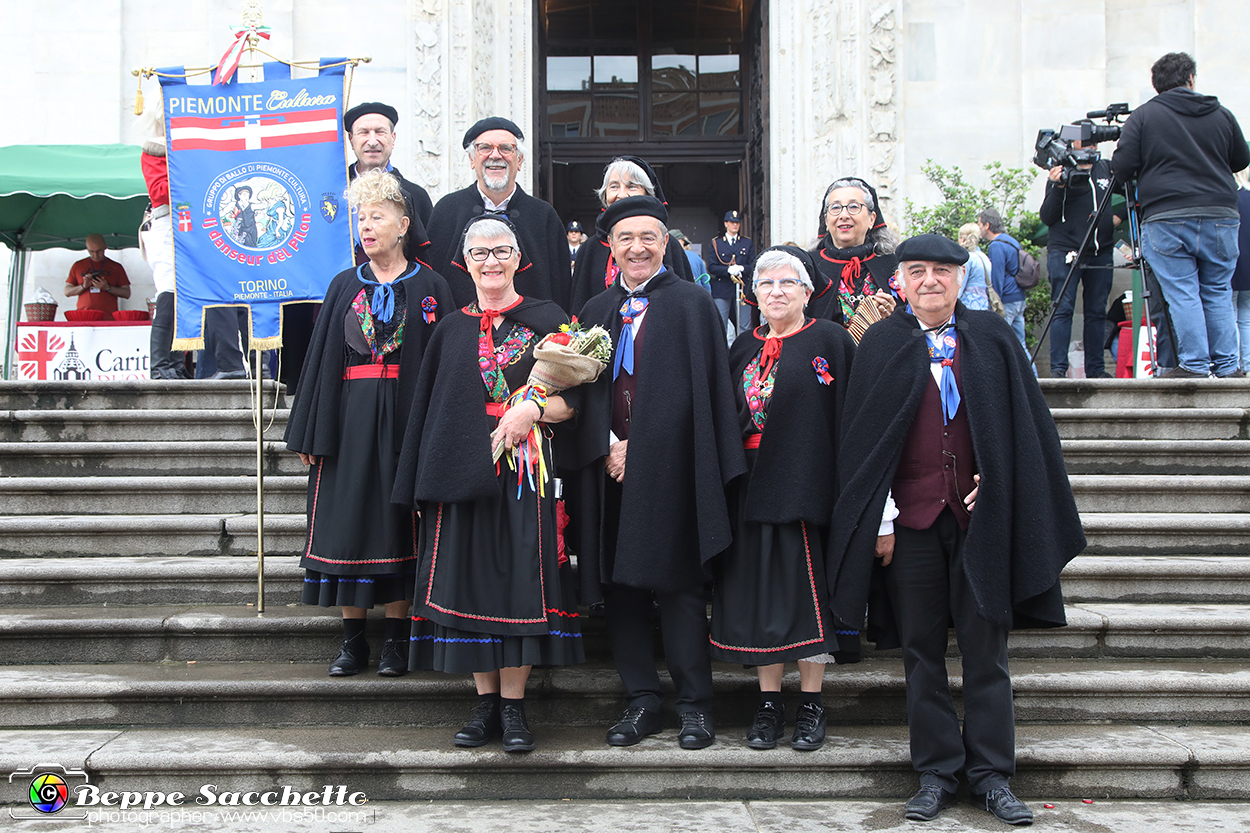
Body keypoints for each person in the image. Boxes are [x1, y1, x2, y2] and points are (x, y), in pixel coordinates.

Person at [827, 234, 1084, 825]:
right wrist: (881, 520)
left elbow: (1024, 434)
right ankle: (937, 771)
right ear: (902, 280)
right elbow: (862, 446)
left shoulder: (993, 339)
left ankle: (992, 775)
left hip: (979, 523)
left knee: (986, 652)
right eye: (917, 271)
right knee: (919, 651)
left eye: (942, 271)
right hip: (911, 523)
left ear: (960, 278)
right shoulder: (882, 343)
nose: (930, 281)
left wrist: (999, 482)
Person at [392, 215, 583, 753]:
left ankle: (516, 708)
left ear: (519, 258)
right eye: (480, 253)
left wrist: (534, 406)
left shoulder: (549, 321)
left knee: (519, 579)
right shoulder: (451, 329)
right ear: (464, 262)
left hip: (526, 471)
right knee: (467, 580)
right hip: (462, 469)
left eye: (501, 251)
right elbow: (429, 411)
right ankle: (485, 704)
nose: (491, 261)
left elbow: (576, 405)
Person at [570, 195, 746, 750]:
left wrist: (640, 448)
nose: (637, 247)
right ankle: (641, 699)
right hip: (608, 473)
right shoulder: (595, 310)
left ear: (666, 243)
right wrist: (607, 443)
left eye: (649, 237)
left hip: (674, 472)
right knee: (622, 588)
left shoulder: (693, 304)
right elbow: (574, 393)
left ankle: (695, 704)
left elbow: (699, 399)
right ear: (611, 247)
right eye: (626, 238)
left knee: (679, 588)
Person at [283, 169, 453, 679]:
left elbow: (445, 363)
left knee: (397, 523)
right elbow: (319, 363)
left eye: (377, 216)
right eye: (361, 218)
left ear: (403, 223)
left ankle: (397, 644)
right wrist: (311, 430)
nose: (367, 226)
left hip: (406, 418)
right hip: (351, 417)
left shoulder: (431, 284)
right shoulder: (343, 284)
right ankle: (352, 642)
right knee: (349, 522)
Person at [709, 246, 858, 752]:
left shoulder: (830, 340)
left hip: (804, 484)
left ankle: (812, 704)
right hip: (748, 485)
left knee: (804, 598)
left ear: (807, 291)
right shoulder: (740, 348)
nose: (775, 292)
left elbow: (849, 415)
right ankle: (769, 702)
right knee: (758, 596)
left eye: (787, 284)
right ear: (752, 294)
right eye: (766, 284)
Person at [1111, 52, 1249, 378]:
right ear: (1191, 79)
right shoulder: (1221, 114)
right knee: (1217, 290)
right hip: (1220, 213)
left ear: (1156, 85)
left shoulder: (1144, 117)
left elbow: (1122, 168)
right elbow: (1241, 159)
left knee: (1182, 293)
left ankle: (1196, 365)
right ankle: (1229, 367)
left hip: (1167, 215)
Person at [425, 118, 569, 311]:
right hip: (461, 331)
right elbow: (433, 283)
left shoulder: (544, 216)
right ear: (471, 160)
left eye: (505, 148)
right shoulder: (447, 211)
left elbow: (560, 288)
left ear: (519, 160)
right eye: (484, 148)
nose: (495, 155)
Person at [570, 156, 694, 312]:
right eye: (614, 186)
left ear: (647, 194)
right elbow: (580, 309)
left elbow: (687, 306)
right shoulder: (590, 249)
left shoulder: (668, 245)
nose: (622, 195)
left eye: (632, 186)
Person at [1039, 143, 1118, 378]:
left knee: (1097, 312)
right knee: (1062, 309)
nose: (1088, 148)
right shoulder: (1062, 170)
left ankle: (1096, 370)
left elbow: (1135, 193)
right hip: (1065, 250)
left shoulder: (1105, 168)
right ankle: (1058, 370)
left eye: (1091, 142)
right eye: (1082, 144)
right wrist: (1058, 186)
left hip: (1100, 250)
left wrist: (1118, 217)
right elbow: (1047, 216)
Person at [799, 177, 899, 331]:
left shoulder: (891, 264)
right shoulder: (808, 266)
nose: (844, 215)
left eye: (853, 207)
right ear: (826, 220)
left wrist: (893, 315)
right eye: (835, 208)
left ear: (872, 219)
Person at [138, 100, 185, 379]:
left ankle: (176, 364)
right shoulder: (155, 148)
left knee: (184, 297)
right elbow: (159, 191)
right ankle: (160, 366)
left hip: (191, 225)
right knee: (168, 291)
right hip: (168, 222)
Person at [979, 208, 1032, 360]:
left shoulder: (996, 245)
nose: (979, 228)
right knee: (1020, 343)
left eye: (980, 224)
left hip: (1006, 300)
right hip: (1019, 297)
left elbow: (997, 276)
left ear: (987, 225)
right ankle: (1033, 379)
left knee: (1000, 341)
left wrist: (995, 301)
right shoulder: (1011, 241)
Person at [706, 210, 755, 332]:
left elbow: (753, 265)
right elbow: (712, 267)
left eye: (737, 223)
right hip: (722, 287)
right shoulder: (716, 243)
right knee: (721, 324)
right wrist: (728, 270)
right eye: (732, 222)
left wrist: (742, 268)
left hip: (742, 288)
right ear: (726, 224)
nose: (735, 225)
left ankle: (743, 350)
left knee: (744, 324)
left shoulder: (747, 242)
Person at [65, 234, 131, 314]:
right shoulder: (78, 266)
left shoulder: (116, 267)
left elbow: (127, 293)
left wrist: (107, 288)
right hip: (84, 316)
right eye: (91, 251)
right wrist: (83, 286)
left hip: (108, 317)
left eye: (99, 251)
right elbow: (67, 292)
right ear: (87, 249)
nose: (95, 255)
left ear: (105, 247)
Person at [1233, 169, 1250, 371]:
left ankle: (1233, 363)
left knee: (1229, 311)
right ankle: (1247, 364)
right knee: (1246, 316)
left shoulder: (1228, 198)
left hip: (1232, 260)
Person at [956, 223, 994, 313]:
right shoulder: (984, 257)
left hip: (968, 305)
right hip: (984, 304)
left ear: (962, 239)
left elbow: (960, 286)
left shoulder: (967, 259)